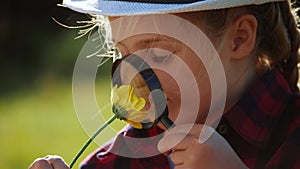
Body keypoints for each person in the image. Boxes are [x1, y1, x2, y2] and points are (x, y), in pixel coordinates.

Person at [29, 0, 300, 169]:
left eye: (159, 54)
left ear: (239, 38)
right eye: (124, 55)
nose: (134, 83)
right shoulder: (130, 156)